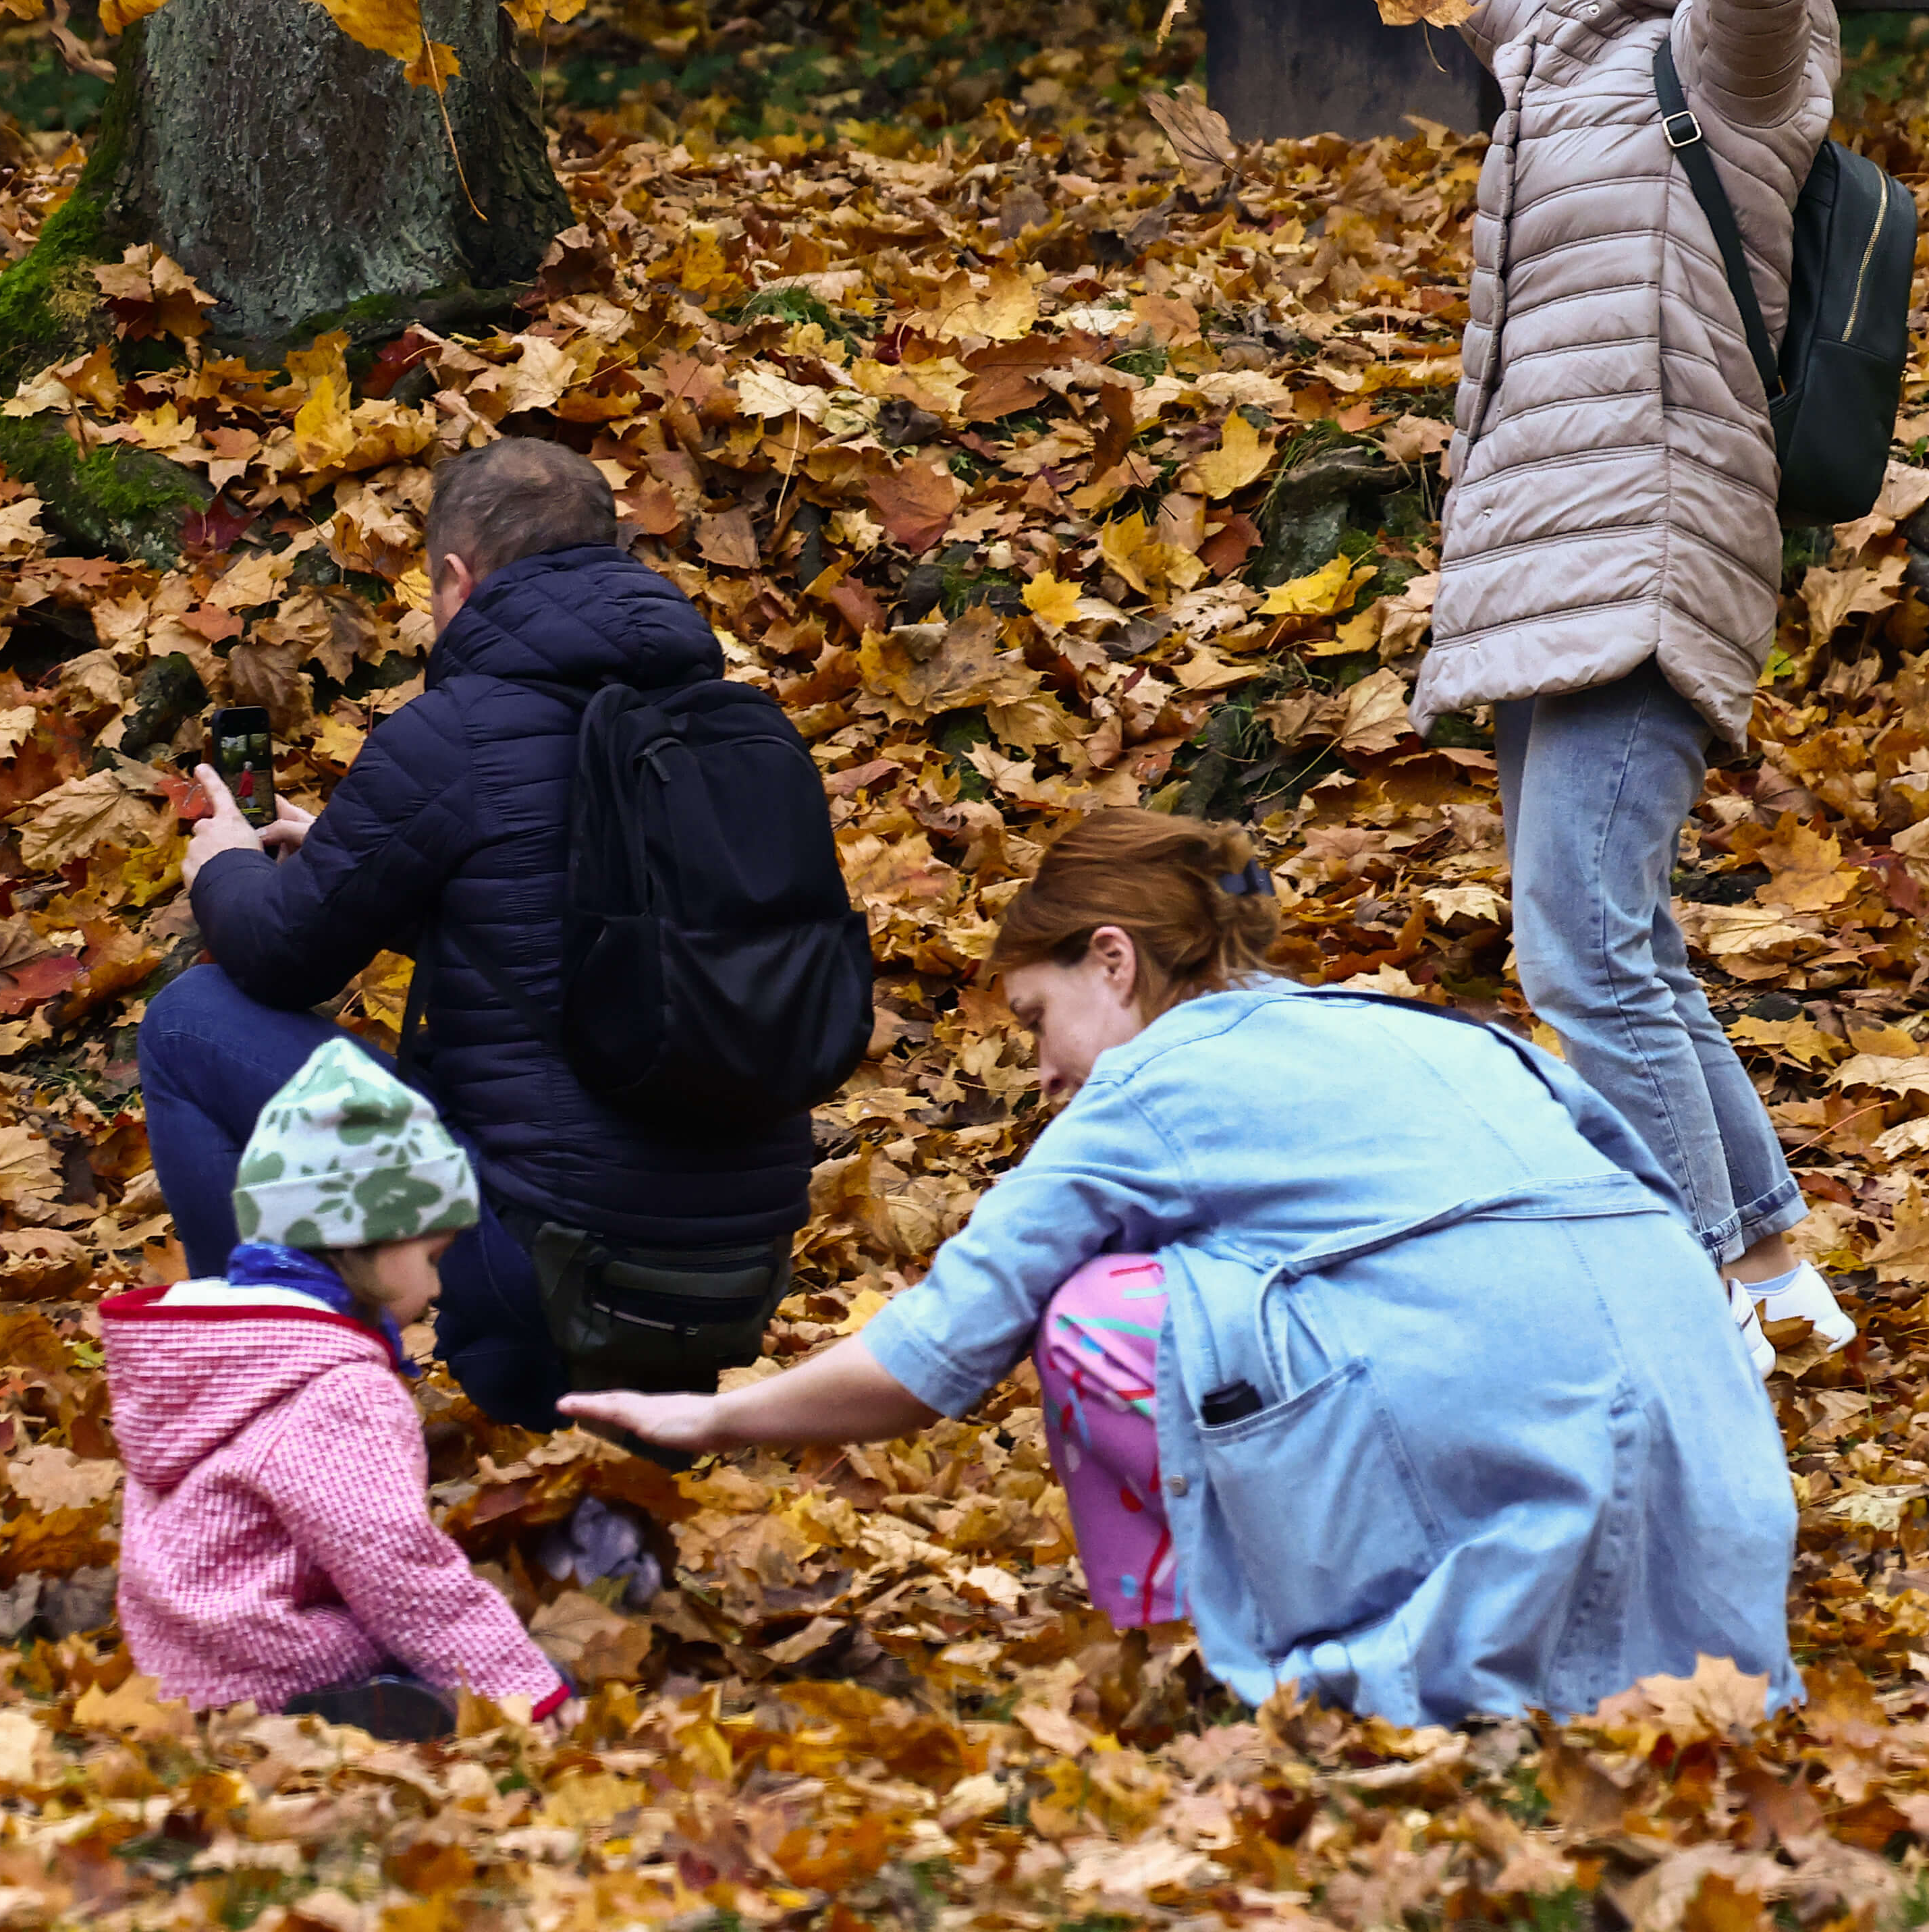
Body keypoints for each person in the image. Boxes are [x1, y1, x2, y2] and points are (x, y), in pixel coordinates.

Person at [562, 813, 1794, 1726]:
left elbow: (935, 1351)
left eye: (1037, 1018)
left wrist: (717, 1413)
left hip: (1519, 1463)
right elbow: (1651, 1207)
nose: (1039, 1072)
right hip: (1716, 1498)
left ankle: (1195, 1654)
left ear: (1113, 960)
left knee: (1099, 1312)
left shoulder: (1150, 1082)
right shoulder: (1428, 1023)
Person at [1284, 0, 1894, 1362]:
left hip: (1645, 532)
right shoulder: (1558, 48)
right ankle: (1769, 1264)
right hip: (1546, 543)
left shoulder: (1729, 53)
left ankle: (1689, 1283)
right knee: (1607, 938)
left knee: (1572, 948)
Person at [140, 437, 811, 1437]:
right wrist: (367, 857)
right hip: (732, 1282)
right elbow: (586, 946)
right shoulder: (740, 729)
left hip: (538, 1273)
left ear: (458, 580)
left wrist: (227, 866)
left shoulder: (460, 730)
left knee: (192, 1024)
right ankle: (622, 1435)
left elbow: (283, 956)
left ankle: (271, 1401)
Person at [103, 1043, 576, 1738]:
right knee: (485, 1652)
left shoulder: (226, 1346)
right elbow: (394, 1565)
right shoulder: (336, 1386)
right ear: (372, 1238)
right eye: (431, 1257)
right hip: (267, 1657)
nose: (439, 1288)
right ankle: (357, 1709)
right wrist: (520, 1692)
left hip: (173, 1648)